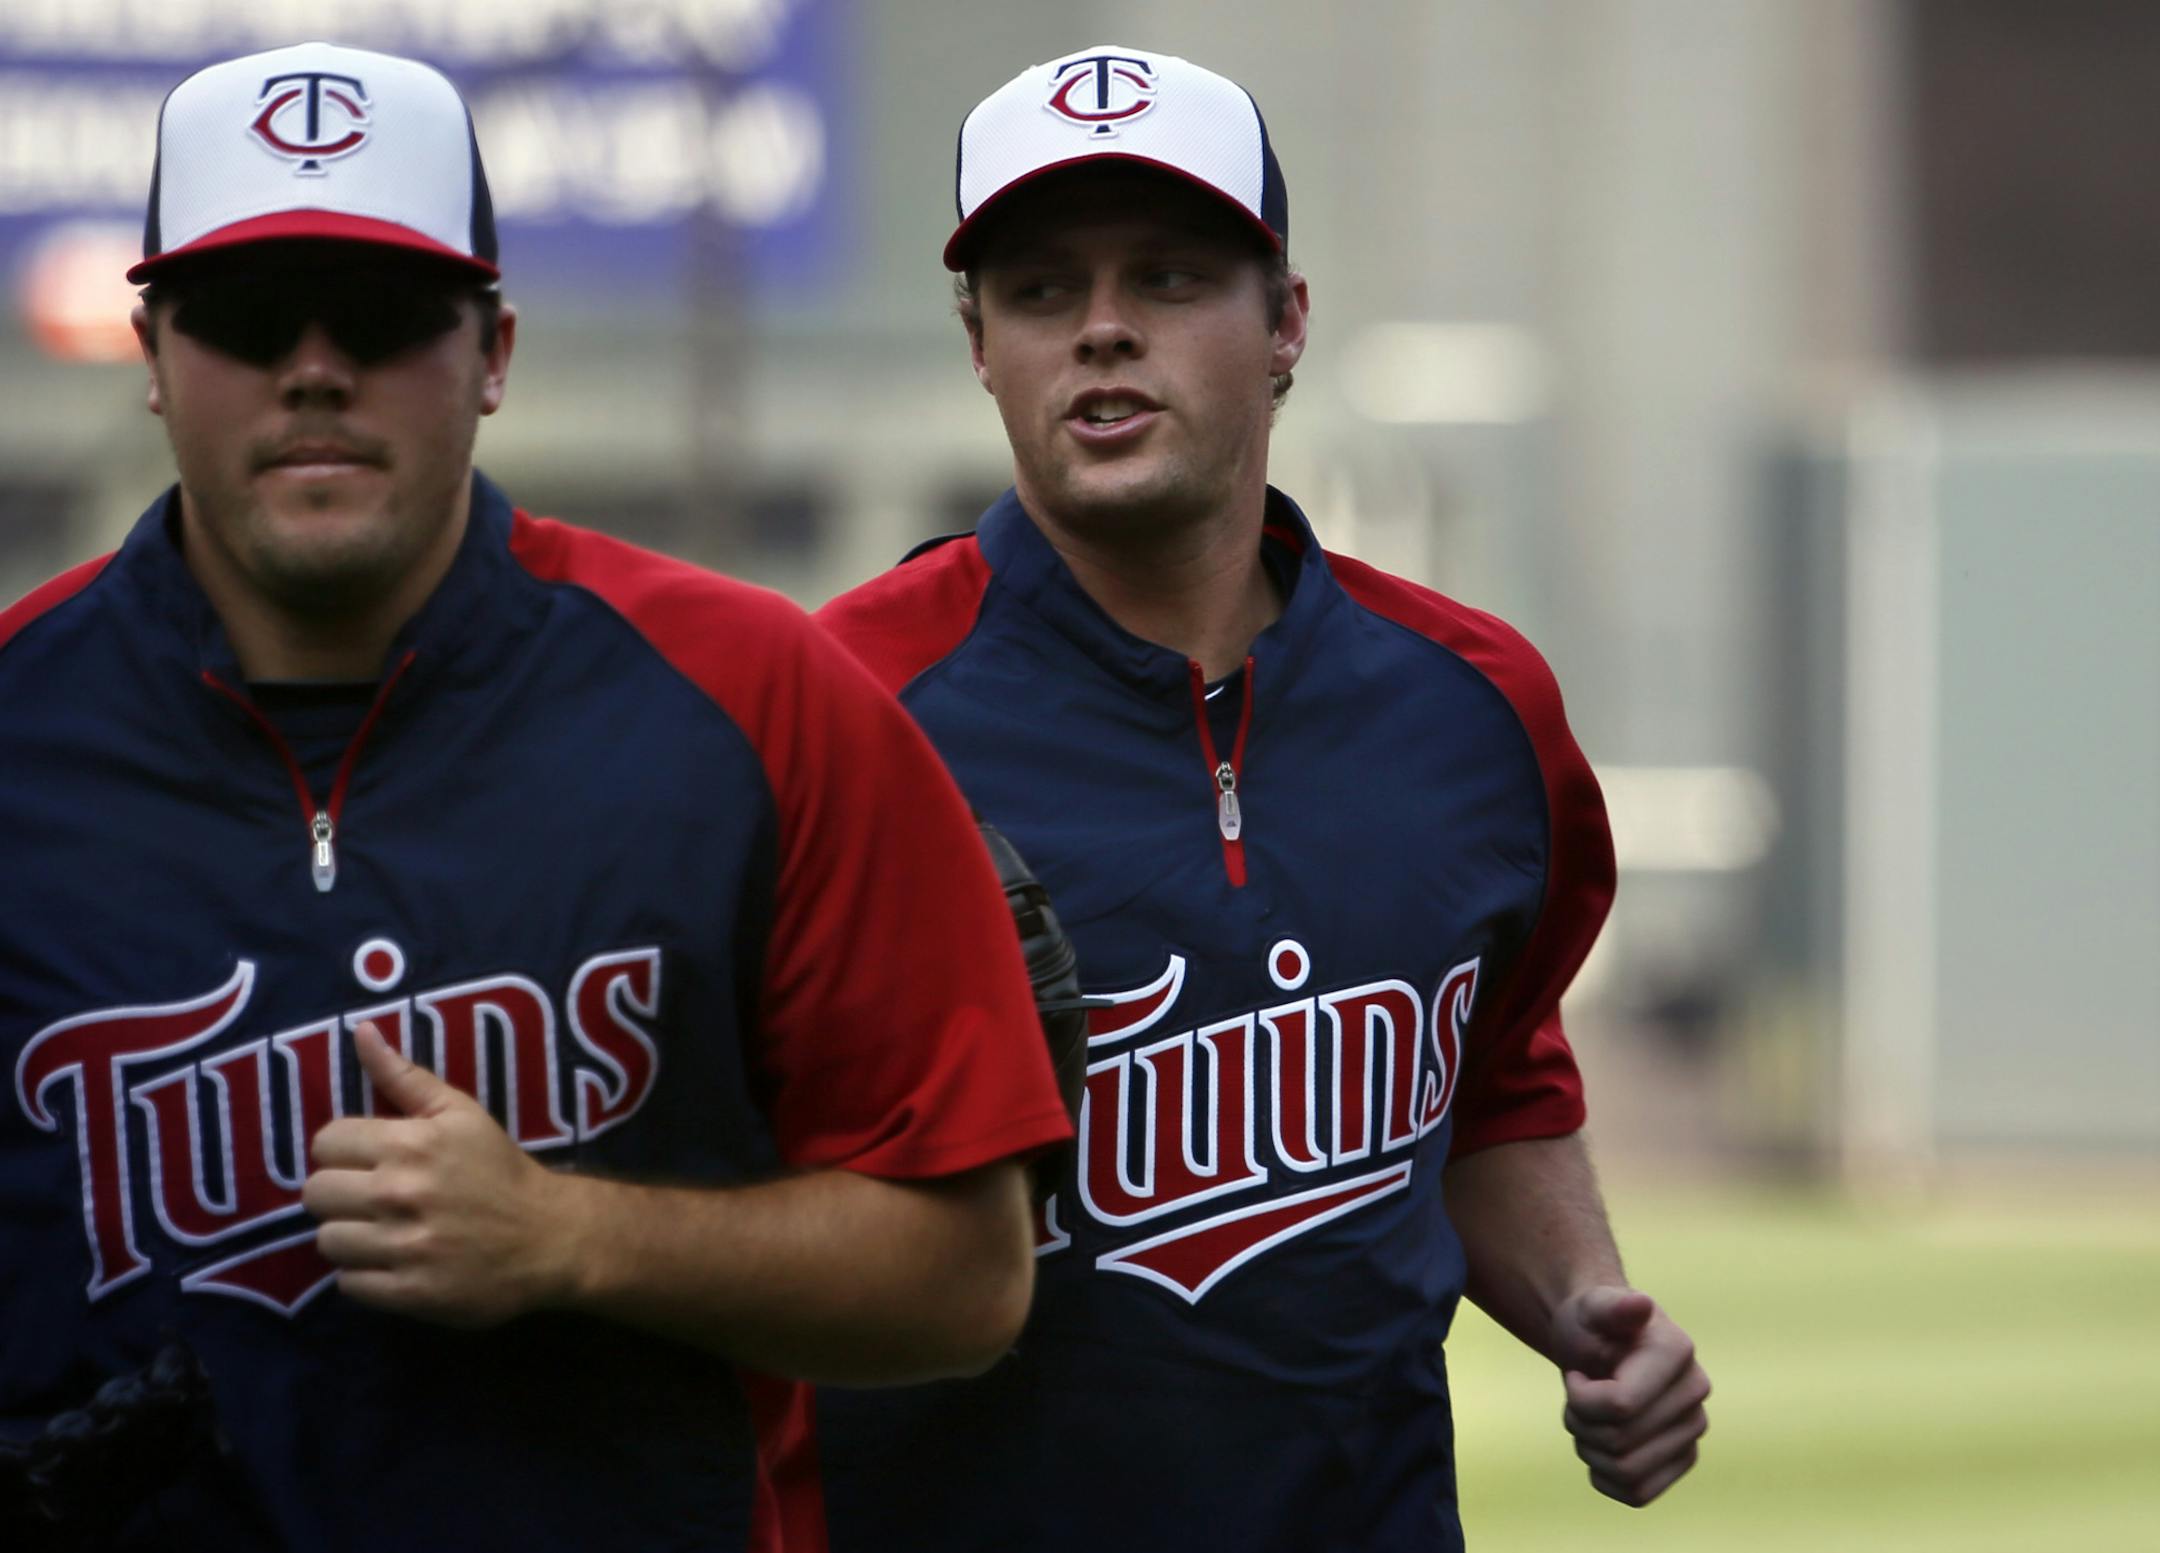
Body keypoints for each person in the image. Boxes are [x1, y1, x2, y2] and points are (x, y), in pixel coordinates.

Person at [0, 41, 1072, 1552]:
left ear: (494, 350)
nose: (316, 365)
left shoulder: (755, 702)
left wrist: (573, 1234)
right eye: (245, 317)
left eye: (380, 315)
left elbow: (969, 1279)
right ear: (153, 349)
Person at [808, 44, 1711, 1553]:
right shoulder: (840, 716)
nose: (1102, 331)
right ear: (981, 344)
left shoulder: (1474, 707)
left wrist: (1584, 1308)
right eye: (1040, 291)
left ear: (1285, 321)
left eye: (1168, 278)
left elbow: (1491, 1075)